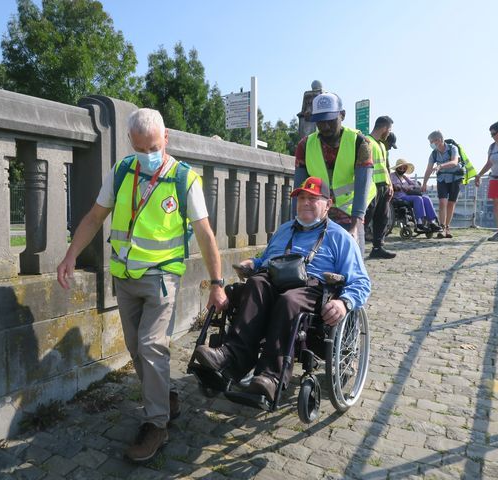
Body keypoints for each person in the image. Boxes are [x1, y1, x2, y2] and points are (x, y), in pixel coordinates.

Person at [57, 108, 228, 463]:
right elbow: (94, 217)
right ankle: (165, 398)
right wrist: (70, 255)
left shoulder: (184, 179)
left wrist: (217, 283)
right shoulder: (121, 173)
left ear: (166, 139)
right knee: (136, 348)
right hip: (125, 278)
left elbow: (205, 233)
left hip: (162, 279)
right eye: (140, 148)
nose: (148, 154)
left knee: (151, 346)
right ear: (131, 143)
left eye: (153, 146)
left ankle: (156, 425)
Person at [193, 177, 371, 402]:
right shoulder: (285, 229)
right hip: (273, 279)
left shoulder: (341, 238)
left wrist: (344, 302)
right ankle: (231, 356)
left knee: (289, 301)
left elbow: (361, 282)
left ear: (328, 204)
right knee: (255, 283)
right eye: (302, 198)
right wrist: (254, 264)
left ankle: (271, 376)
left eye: (313, 199)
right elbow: (267, 259)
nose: (305, 202)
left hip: (310, 288)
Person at [294, 92, 375, 252]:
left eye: (330, 120)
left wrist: (355, 226)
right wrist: (295, 222)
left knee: (352, 258)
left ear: (342, 115)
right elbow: (299, 189)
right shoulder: (305, 146)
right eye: (320, 122)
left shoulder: (361, 143)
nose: (325, 127)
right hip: (320, 211)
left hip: (351, 210)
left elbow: (361, 186)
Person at [365, 116, 396, 259]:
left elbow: (385, 167)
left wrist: (389, 184)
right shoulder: (367, 142)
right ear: (384, 128)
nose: (389, 133)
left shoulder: (382, 146)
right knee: (365, 217)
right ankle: (354, 248)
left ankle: (378, 247)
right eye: (389, 130)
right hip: (371, 186)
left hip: (383, 186)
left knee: (382, 218)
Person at [422, 130, 462, 239]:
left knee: (451, 203)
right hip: (442, 179)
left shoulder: (452, 148)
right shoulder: (434, 153)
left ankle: (447, 227)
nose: (431, 144)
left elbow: (454, 162)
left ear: (438, 140)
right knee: (442, 202)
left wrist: (441, 166)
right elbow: (429, 168)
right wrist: (424, 183)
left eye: (432, 141)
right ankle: (442, 227)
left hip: (455, 178)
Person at [390, 159, 442, 232]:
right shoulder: (392, 176)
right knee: (418, 199)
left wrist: (409, 187)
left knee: (426, 198)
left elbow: (415, 185)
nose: (402, 170)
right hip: (399, 197)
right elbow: (392, 186)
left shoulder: (406, 177)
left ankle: (432, 222)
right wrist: (401, 187)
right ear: (397, 168)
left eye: (404, 168)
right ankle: (419, 223)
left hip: (409, 195)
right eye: (400, 168)